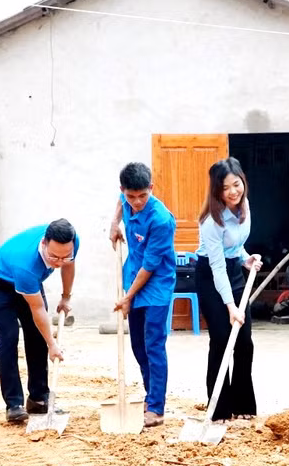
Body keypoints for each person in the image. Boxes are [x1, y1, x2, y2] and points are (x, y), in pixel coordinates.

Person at [0, 220, 77, 424]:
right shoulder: (26, 265)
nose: (59, 262)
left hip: (27, 281)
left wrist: (66, 297)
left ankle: (39, 399)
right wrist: (52, 345)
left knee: (36, 335)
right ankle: (13, 404)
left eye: (64, 256)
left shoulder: (70, 243)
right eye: (54, 257)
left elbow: (69, 265)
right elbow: (37, 308)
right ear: (44, 243)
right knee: (9, 336)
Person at [109, 162, 177, 428]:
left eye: (142, 196)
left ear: (151, 188)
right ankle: (150, 395)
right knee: (138, 344)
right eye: (131, 196)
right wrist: (114, 223)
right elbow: (119, 202)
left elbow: (150, 265)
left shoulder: (161, 220)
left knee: (154, 344)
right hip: (133, 276)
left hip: (156, 284)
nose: (136, 202)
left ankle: (156, 408)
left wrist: (128, 297)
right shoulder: (125, 200)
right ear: (123, 190)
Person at [194, 158, 263, 421]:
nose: (233, 191)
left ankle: (243, 404)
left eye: (237, 184)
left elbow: (235, 245)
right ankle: (219, 408)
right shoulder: (211, 221)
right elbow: (217, 266)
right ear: (217, 191)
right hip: (210, 276)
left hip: (234, 271)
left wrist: (246, 259)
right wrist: (231, 306)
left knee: (244, 341)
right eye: (225, 188)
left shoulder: (245, 205)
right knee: (222, 339)